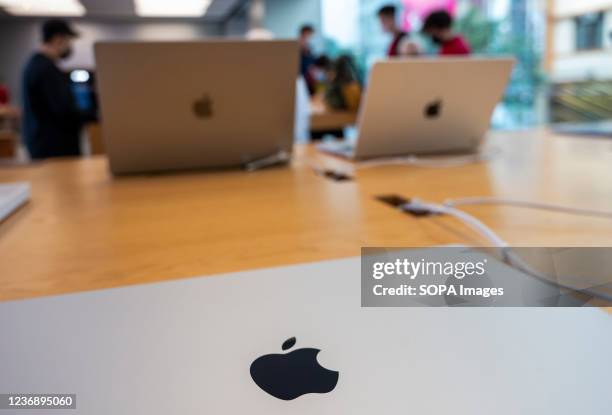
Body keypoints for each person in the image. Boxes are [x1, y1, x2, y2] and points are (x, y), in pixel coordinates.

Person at [22, 19, 92, 160]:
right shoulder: (46, 69)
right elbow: (64, 110)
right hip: (54, 149)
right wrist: (94, 115)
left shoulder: (36, 65)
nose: (69, 46)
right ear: (58, 39)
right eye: (68, 41)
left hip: (44, 144)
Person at [298, 24, 317, 96]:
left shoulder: (310, 48)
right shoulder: (295, 47)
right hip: (299, 79)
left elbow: (312, 63)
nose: (309, 37)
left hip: (308, 80)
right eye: (308, 34)